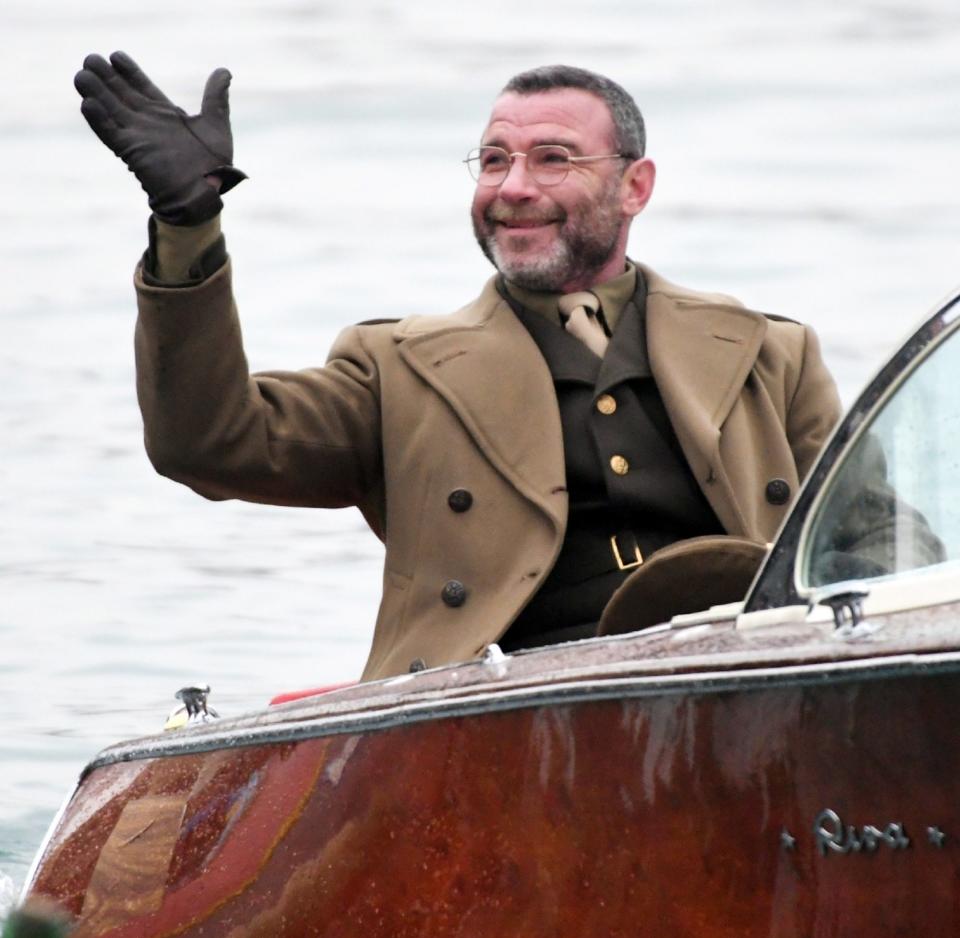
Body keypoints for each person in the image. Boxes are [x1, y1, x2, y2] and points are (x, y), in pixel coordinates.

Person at [73, 54, 842, 680]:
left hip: (755, 684)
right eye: (495, 161)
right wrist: (188, 224)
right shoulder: (400, 369)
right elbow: (208, 444)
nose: (513, 188)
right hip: (491, 726)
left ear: (634, 186)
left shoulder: (771, 352)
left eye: (551, 160)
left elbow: (876, 545)